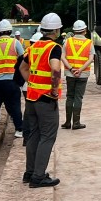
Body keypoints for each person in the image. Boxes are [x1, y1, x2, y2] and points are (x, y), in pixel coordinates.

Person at [23, 13, 64, 188]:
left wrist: (31, 82)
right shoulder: (54, 47)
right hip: (46, 99)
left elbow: (23, 67)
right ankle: (38, 177)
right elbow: (55, 69)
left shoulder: (34, 47)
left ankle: (30, 172)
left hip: (31, 97)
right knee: (47, 137)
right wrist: (54, 90)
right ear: (56, 30)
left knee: (34, 135)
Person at [0, 19, 25, 139]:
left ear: (0, 32)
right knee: (15, 105)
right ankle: (19, 129)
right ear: (10, 30)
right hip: (12, 80)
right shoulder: (15, 42)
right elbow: (23, 58)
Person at [61, 20, 97, 130]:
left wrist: (72, 69)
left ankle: (67, 122)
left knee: (70, 96)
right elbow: (91, 59)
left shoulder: (67, 41)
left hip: (70, 74)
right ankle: (76, 123)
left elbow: (63, 57)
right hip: (83, 74)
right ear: (85, 30)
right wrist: (80, 70)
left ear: (74, 30)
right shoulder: (89, 42)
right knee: (78, 97)